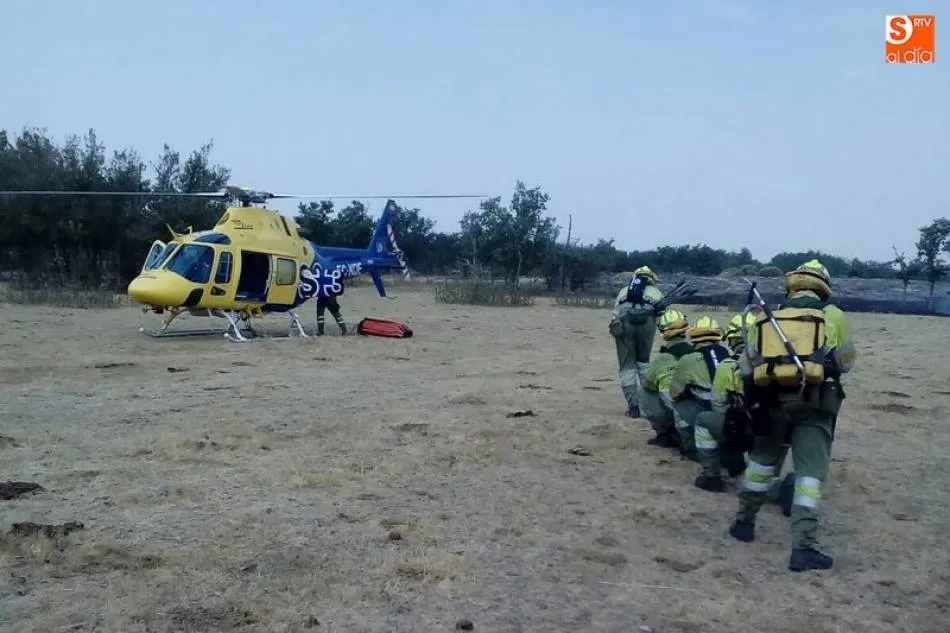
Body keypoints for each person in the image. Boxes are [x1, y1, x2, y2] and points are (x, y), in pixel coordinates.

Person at [728, 259, 855, 572]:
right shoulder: (834, 316)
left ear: (792, 285)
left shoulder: (768, 318)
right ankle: (802, 548)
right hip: (814, 407)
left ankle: (744, 523)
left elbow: (746, 368)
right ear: (823, 286)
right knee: (809, 476)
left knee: (760, 466)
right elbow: (847, 362)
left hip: (771, 405)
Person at [692, 312, 758, 492]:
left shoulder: (728, 366)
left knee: (703, 421)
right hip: (772, 428)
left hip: (746, 428)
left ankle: (712, 476)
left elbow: (718, 405)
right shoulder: (773, 363)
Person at [669, 316, 731, 461]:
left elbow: (674, 392)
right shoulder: (726, 354)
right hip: (730, 412)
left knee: (678, 406)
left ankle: (691, 448)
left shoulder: (689, 359)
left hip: (707, 411)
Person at [608, 266, 665, 418]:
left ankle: (633, 407)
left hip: (624, 328)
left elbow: (615, 316)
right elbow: (662, 318)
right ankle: (649, 404)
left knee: (627, 367)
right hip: (647, 328)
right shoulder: (656, 292)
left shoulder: (624, 291)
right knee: (644, 364)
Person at [638, 309, 694, 448]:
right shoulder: (697, 353)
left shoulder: (661, 360)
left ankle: (664, 434)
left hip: (677, 411)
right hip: (698, 411)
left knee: (644, 393)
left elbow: (647, 384)